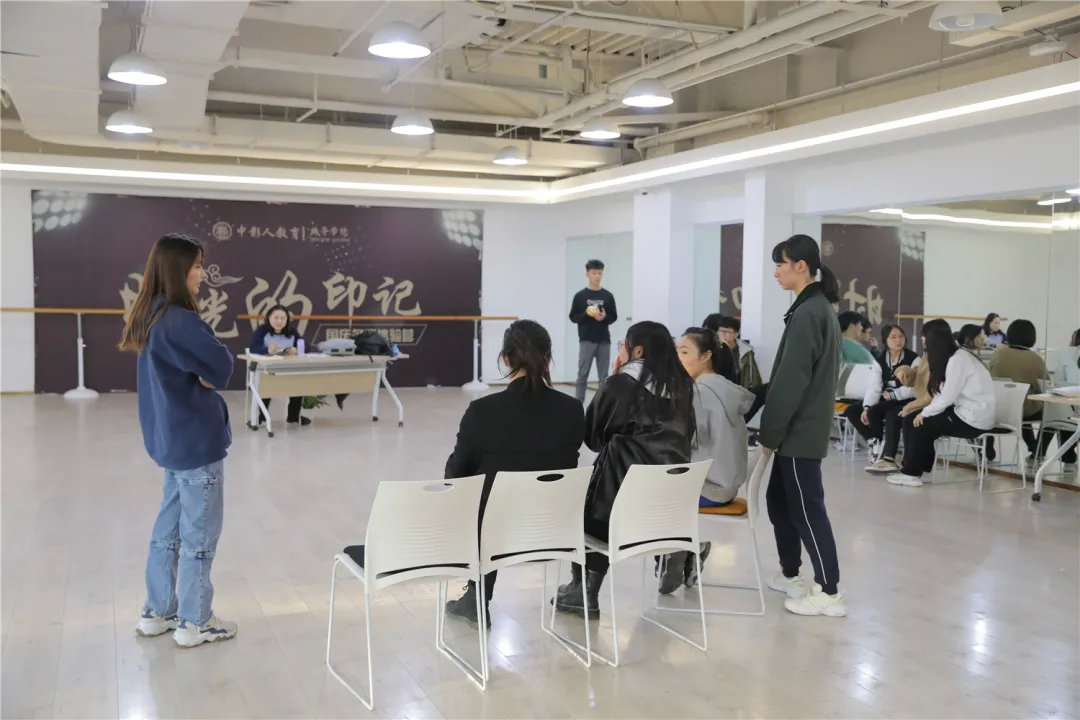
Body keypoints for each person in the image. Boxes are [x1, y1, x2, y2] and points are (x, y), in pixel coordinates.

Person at [119, 233, 237, 648]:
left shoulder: (149, 314)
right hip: (195, 441)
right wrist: (208, 374)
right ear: (178, 270)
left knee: (167, 531)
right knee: (199, 537)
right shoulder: (181, 320)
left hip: (170, 441)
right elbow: (221, 368)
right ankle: (195, 621)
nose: (203, 274)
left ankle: (158, 611)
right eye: (197, 266)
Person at [442, 320, 584, 628]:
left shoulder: (483, 411)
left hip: (497, 534)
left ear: (506, 359)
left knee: (479, 494)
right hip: (554, 531)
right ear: (548, 359)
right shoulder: (572, 409)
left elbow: (456, 474)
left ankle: (477, 596)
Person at [553, 321, 695, 615]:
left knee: (579, 499)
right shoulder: (683, 388)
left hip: (615, 512)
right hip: (668, 511)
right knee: (609, 487)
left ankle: (584, 590)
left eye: (623, 345)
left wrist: (613, 377)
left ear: (637, 350)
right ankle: (668, 551)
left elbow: (592, 439)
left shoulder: (621, 384)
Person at [758, 234, 846, 618]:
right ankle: (791, 573)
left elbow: (791, 381)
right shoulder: (811, 307)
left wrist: (770, 433)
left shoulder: (811, 312)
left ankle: (829, 591)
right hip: (797, 429)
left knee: (808, 511)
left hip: (800, 432)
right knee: (779, 502)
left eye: (781, 264)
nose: (776, 272)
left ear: (801, 266)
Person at [676, 327, 755, 588]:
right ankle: (683, 553)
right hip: (727, 485)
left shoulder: (700, 392)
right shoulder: (723, 387)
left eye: (684, 352)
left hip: (709, 487)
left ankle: (678, 557)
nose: (678, 358)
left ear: (706, 356)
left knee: (650, 493)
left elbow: (683, 442)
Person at [889, 320, 995, 487]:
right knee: (912, 419)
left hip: (973, 420)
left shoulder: (957, 360)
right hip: (966, 412)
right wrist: (923, 411)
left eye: (924, 336)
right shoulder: (953, 357)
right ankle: (919, 470)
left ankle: (911, 473)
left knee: (920, 423)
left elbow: (946, 398)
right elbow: (941, 393)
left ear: (933, 338)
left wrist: (924, 413)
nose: (922, 340)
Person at [847, 324, 919, 468]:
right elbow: (874, 386)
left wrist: (893, 395)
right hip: (885, 398)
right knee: (853, 410)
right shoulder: (880, 360)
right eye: (893, 337)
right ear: (885, 340)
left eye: (901, 336)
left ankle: (888, 456)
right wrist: (866, 407)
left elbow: (915, 388)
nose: (898, 340)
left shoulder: (914, 359)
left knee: (887, 413)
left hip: (905, 399)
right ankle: (874, 441)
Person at [988, 319, 1049, 459]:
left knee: (1018, 401)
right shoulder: (1035, 359)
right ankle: (1038, 450)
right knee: (1050, 413)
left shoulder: (998, 354)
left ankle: (988, 450)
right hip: (1023, 411)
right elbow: (1044, 388)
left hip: (998, 410)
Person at [248, 305, 311, 426]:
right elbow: (253, 348)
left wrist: (296, 350)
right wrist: (267, 350)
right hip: (266, 370)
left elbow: (306, 347)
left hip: (288, 370)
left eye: (283, 318)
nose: (279, 321)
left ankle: (293, 417)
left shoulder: (291, 332)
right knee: (266, 387)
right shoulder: (262, 331)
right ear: (269, 318)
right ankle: (260, 418)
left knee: (298, 384)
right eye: (276, 318)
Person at [569, 259, 618, 402]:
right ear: (587, 274)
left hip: (604, 340)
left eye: (600, 273)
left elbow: (614, 316)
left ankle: (603, 406)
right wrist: (586, 313)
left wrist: (604, 317)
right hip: (586, 340)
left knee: (604, 377)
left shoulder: (607, 296)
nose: (597, 276)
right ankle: (578, 404)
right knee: (582, 374)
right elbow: (573, 317)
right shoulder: (580, 296)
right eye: (594, 273)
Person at [1037, 328, 1079, 472]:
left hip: (1067, 408)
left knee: (1055, 410)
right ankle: (1068, 456)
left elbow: (1059, 382)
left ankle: (1038, 454)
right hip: (1073, 410)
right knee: (1065, 412)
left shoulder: (1066, 353)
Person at [703, 314, 763, 392]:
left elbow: (753, 377)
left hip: (739, 391)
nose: (723, 334)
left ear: (736, 334)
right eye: (721, 331)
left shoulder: (745, 351)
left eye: (727, 332)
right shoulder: (712, 349)